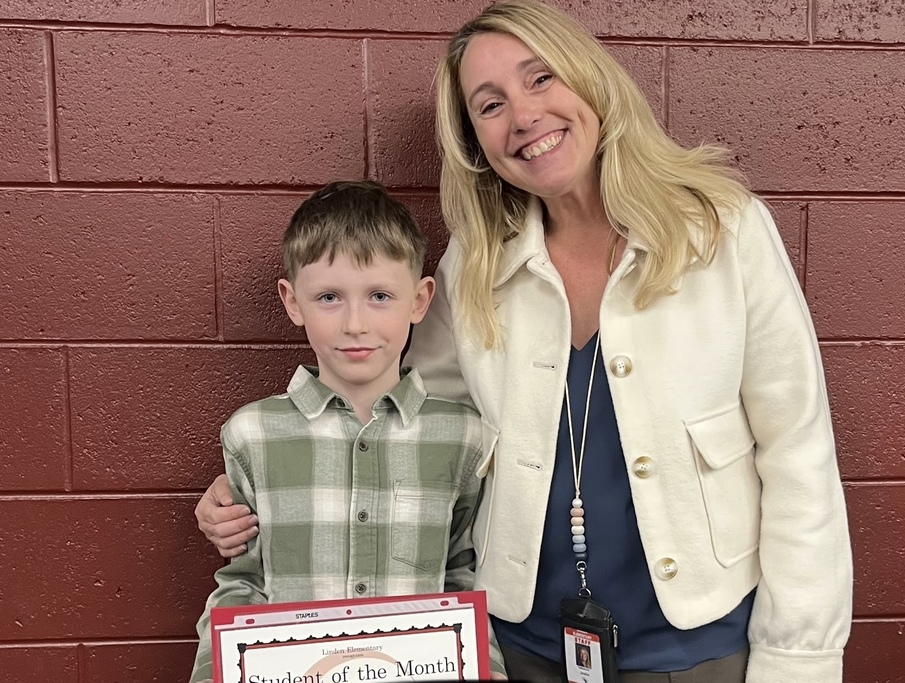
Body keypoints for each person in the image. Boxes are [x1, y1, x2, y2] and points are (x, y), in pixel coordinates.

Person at [196, 2, 853, 681]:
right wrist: (258, 485)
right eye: (490, 105)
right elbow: (408, 427)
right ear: (474, 141)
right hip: (520, 648)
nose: (524, 116)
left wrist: (800, 655)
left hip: (696, 643)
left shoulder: (721, 231)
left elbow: (798, 450)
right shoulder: (478, 264)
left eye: (541, 79)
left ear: (591, 81)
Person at [188, 180, 503, 683]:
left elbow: (463, 578)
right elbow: (243, 581)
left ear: (421, 300)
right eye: (330, 297)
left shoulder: (462, 437)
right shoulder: (253, 434)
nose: (356, 323)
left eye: (380, 295)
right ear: (293, 303)